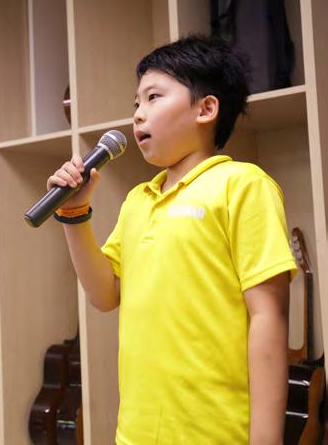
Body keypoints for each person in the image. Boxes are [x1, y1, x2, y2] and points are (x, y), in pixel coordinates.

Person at [47, 34, 297, 444]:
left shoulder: (241, 185)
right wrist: (73, 215)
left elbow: (268, 316)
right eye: (135, 103)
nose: (138, 115)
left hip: (216, 434)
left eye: (153, 97)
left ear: (206, 109)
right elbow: (104, 295)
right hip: (136, 433)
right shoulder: (138, 200)